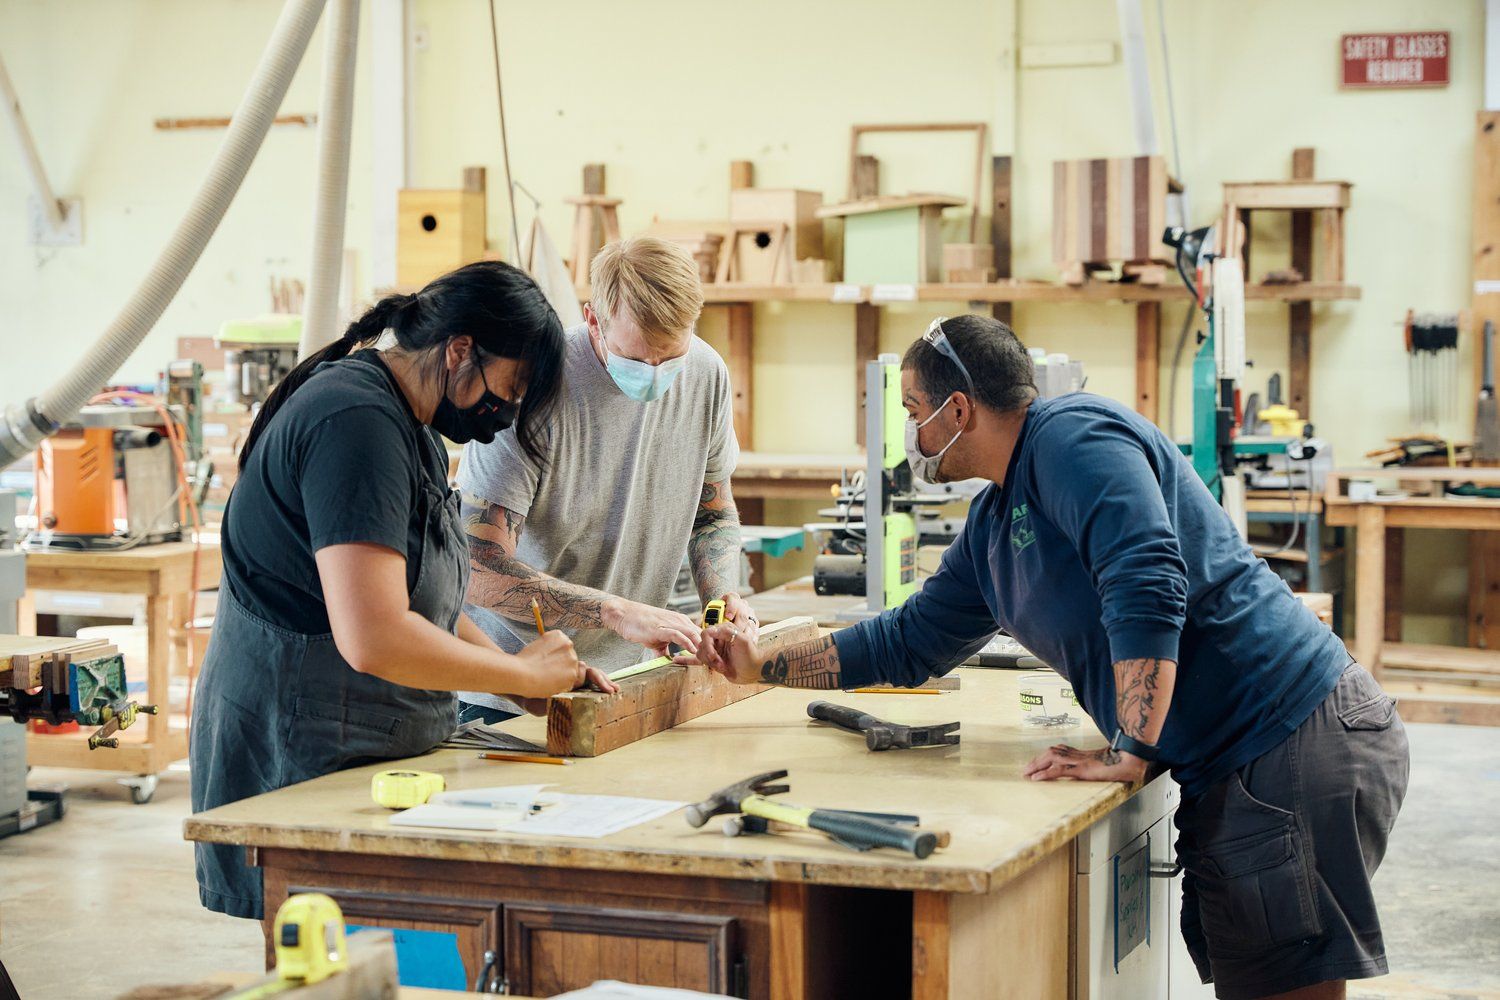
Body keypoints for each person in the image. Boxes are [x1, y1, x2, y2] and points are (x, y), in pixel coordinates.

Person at [698, 314, 1409, 1000]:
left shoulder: (1071, 437)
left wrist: (1131, 747)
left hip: (1288, 736)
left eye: (913, 411)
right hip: (1246, 756)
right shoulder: (992, 523)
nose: (912, 434)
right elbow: (908, 640)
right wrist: (762, 665)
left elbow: (1146, 576)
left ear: (958, 409)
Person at [190, 261, 616, 920]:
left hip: (363, 742)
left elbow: (427, 603)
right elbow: (375, 636)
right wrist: (522, 674)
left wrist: (519, 681)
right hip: (305, 748)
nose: (506, 414)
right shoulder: (354, 422)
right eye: (510, 389)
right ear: (459, 350)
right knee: (330, 953)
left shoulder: (409, 425)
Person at [457, 237, 750, 724]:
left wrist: (721, 601)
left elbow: (712, 515)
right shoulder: (532, 388)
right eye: (637, 359)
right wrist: (615, 612)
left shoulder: (706, 374)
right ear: (594, 320)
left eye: (670, 357)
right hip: (510, 688)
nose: (654, 373)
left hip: (629, 679)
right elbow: (474, 567)